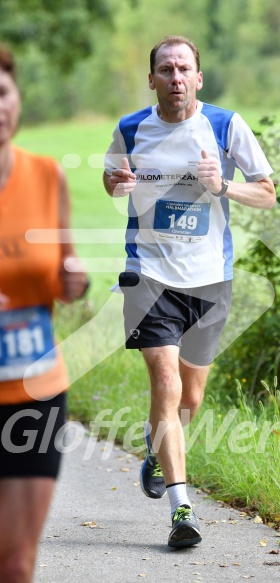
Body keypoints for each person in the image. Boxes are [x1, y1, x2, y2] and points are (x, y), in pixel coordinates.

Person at [103, 35, 276, 548]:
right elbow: (113, 181)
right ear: (151, 79)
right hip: (147, 273)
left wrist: (223, 186)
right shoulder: (131, 128)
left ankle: (158, 449)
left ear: (198, 78)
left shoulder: (225, 126)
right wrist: (116, 182)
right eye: (166, 69)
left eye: (184, 69)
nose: (175, 78)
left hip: (209, 278)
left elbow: (267, 194)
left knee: (191, 396)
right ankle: (182, 510)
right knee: (166, 384)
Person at [0, 45, 89, 582]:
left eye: (3, 94)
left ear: (18, 99)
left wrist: (73, 280)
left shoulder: (45, 174)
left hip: (36, 392)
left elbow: (62, 267)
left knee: (16, 564)